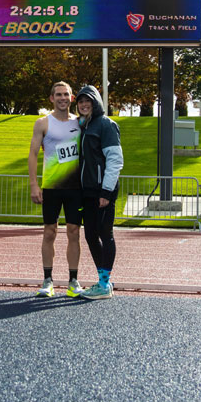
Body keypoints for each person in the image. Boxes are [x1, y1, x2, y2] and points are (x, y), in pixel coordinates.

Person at [28, 81, 83, 298]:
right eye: (58, 94)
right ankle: (47, 280)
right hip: (51, 187)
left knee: (74, 232)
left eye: (66, 95)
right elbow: (33, 154)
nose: (62, 98)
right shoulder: (43, 123)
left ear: (72, 98)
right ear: (51, 98)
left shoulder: (81, 122)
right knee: (49, 232)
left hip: (75, 188)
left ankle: (73, 281)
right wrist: (34, 184)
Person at [75, 85, 123, 300]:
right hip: (87, 191)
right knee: (90, 235)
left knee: (105, 234)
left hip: (103, 190)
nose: (84, 104)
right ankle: (103, 281)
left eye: (88, 100)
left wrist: (106, 190)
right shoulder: (83, 125)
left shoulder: (106, 125)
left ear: (96, 102)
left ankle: (104, 284)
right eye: (81, 101)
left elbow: (115, 160)